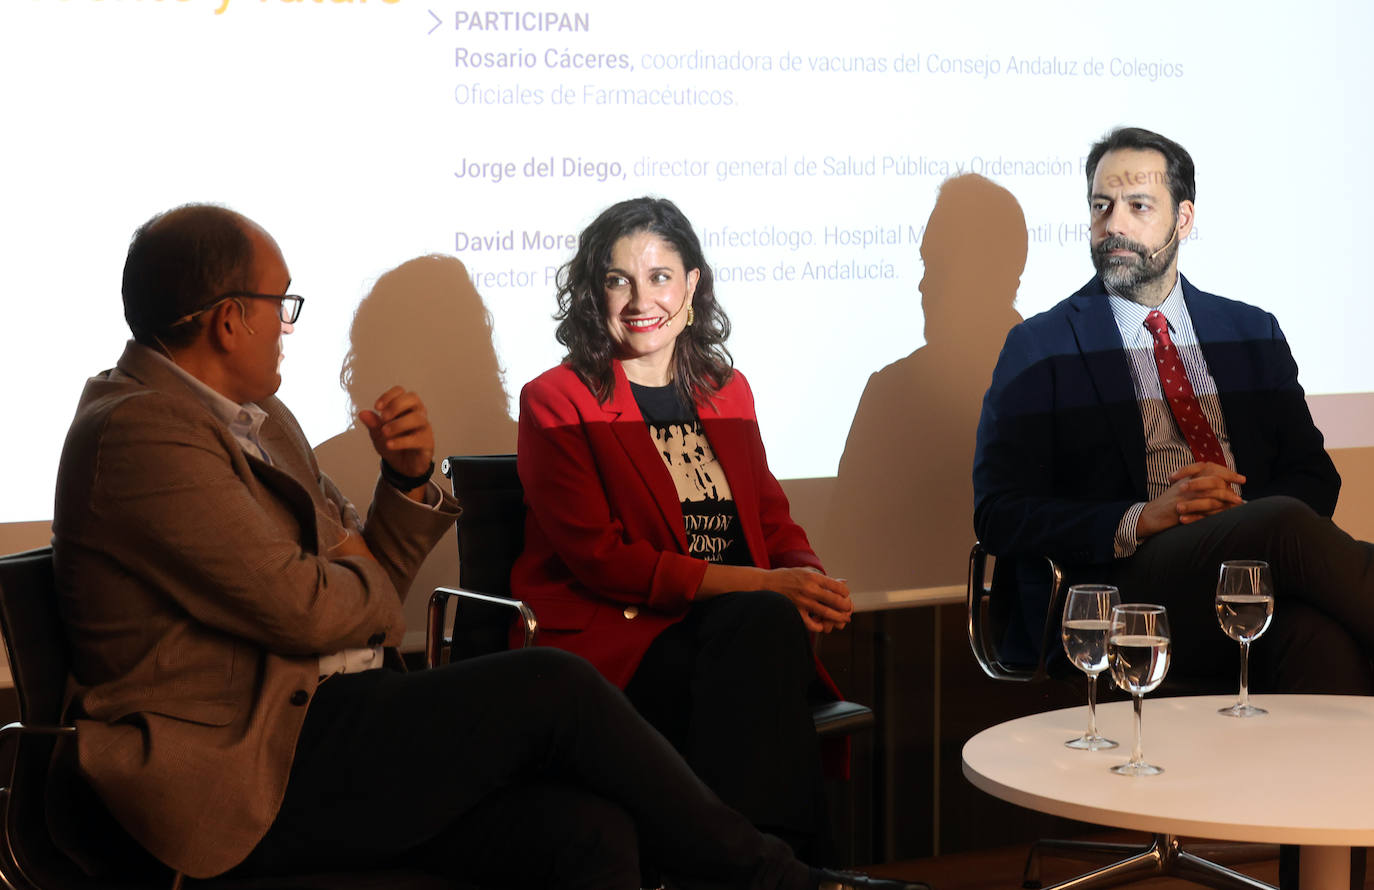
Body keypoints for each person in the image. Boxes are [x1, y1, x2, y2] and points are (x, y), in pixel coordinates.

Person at [50, 203, 923, 890]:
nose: (289, 323)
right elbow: (311, 608)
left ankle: (780, 871)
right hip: (254, 765)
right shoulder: (141, 433)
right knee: (555, 684)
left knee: (591, 836)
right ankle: (779, 881)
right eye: (281, 305)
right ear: (227, 319)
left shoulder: (262, 419)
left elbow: (352, 576)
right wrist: (353, 565)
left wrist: (400, 484)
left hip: (337, 721)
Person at [973, 127, 1374, 695]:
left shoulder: (1250, 332)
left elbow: (1315, 477)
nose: (1114, 224)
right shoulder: (1042, 347)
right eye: (1100, 206)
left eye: (1138, 206)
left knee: (1317, 639)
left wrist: (1235, 512)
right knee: (1282, 522)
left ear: (1183, 220)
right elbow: (997, 512)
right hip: (1124, 586)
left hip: (1241, 573)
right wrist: (1143, 516)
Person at [513, 197, 854, 859]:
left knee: (764, 628)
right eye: (618, 280)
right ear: (593, 292)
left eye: (660, 277)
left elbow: (769, 517)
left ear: (692, 283)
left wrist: (806, 580)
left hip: (737, 634)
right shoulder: (557, 400)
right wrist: (765, 585)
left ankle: (755, 865)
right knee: (760, 626)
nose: (641, 299)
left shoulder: (728, 390)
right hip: (623, 641)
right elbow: (605, 561)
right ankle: (789, 867)